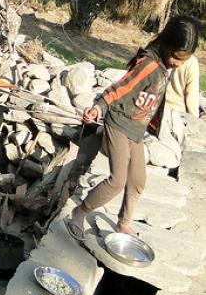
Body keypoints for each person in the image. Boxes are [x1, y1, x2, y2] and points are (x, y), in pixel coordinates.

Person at [66, 16, 200, 240]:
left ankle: (123, 223)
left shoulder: (166, 67)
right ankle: (80, 212)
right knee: (117, 180)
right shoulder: (148, 65)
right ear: (166, 44)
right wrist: (99, 108)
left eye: (183, 60)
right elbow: (121, 87)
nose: (178, 63)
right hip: (118, 123)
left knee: (137, 180)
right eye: (176, 57)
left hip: (136, 131)